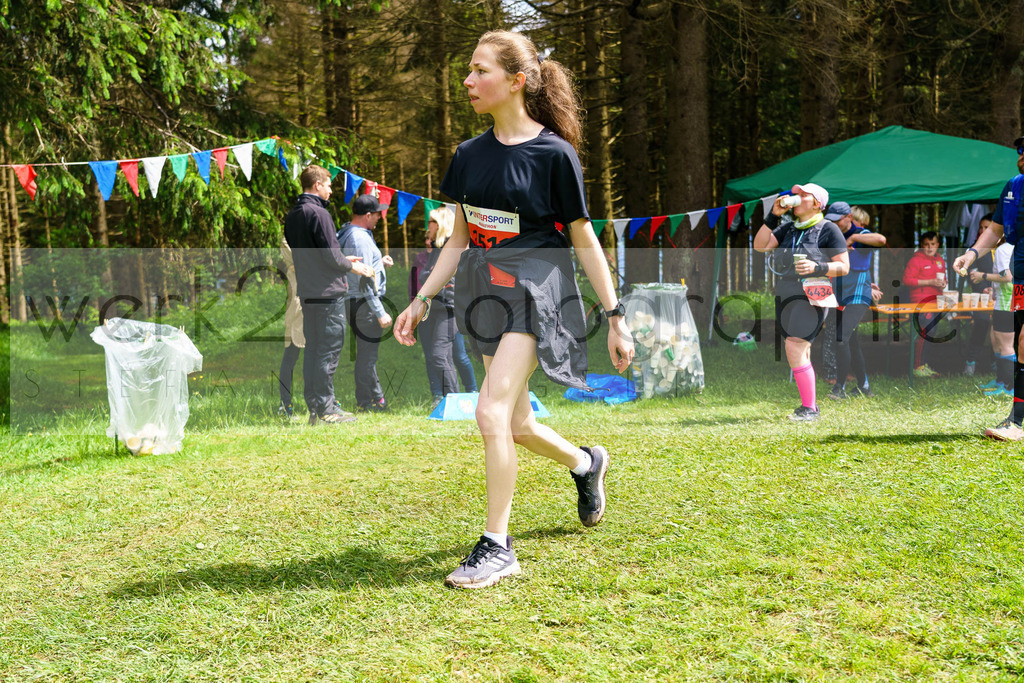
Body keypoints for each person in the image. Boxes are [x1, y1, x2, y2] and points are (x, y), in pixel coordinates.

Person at [393, 30, 634, 589]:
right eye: (469, 71)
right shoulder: (467, 156)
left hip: (539, 289)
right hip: (483, 289)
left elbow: (584, 238)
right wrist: (422, 299)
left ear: (517, 80)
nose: (469, 81)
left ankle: (497, 546)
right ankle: (586, 463)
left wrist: (615, 315)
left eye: (480, 71)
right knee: (518, 422)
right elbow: (457, 239)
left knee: (489, 411)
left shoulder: (555, 154)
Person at [283, 165, 375, 425]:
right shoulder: (320, 213)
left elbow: (314, 255)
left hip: (308, 292)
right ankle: (328, 411)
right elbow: (330, 256)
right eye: (329, 184)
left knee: (313, 350)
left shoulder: (292, 215)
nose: (332, 189)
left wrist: (341, 259)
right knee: (328, 351)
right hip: (328, 293)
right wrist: (353, 265)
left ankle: (315, 408)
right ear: (317, 185)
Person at [753, 183, 850, 421]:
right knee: (798, 349)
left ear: (817, 203)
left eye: (803, 195)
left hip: (812, 292)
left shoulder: (829, 229)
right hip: (785, 292)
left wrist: (818, 266)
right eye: (796, 194)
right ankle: (809, 406)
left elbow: (844, 266)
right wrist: (772, 217)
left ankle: (810, 409)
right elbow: (759, 246)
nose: (795, 197)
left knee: (794, 347)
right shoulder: (787, 228)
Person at [954, 137, 1024, 440]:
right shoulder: (1013, 186)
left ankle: (1017, 421)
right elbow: (996, 230)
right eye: (1021, 150)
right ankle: (1017, 420)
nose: (1022, 155)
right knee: (1022, 346)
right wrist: (971, 255)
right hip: (1021, 280)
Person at [337, 193, 395, 412]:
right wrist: (380, 312)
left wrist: (379, 263)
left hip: (355, 302)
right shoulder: (359, 238)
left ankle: (365, 400)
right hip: (364, 303)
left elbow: (361, 267)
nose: (380, 218)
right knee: (367, 357)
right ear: (367, 215)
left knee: (364, 355)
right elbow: (364, 281)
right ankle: (374, 401)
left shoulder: (349, 232)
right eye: (377, 214)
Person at [417, 206, 478, 408]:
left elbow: (453, 283)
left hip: (449, 310)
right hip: (432, 311)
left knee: (443, 355)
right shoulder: (435, 250)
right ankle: (450, 400)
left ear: (440, 225)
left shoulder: (451, 251)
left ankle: (456, 400)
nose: (428, 227)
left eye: (431, 222)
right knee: (439, 356)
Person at [827, 203, 886, 400]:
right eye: (832, 219)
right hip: (839, 294)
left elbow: (881, 239)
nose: (835, 222)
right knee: (851, 341)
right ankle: (864, 386)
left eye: (838, 218)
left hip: (859, 295)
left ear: (849, 217)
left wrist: (853, 237)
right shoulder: (833, 233)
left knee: (841, 338)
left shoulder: (861, 233)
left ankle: (840, 389)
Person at [903, 231, 947, 378]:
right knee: (927, 332)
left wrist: (943, 283)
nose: (929, 248)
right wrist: (930, 282)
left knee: (931, 333)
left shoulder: (941, 261)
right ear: (921, 246)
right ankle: (917, 366)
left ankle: (924, 365)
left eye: (933, 244)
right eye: (926, 245)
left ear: (938, 245)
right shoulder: (915, 260)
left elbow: (943, 281)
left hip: (936, 302)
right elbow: (907, 280)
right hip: (920, 302)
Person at [973, 234, 1013, 397]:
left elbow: (1008, 277)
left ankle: (1010, 387)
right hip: (1002, 302)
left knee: (1006, 346)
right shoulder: (1006, 248)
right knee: (995, 341)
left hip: (1007, 304)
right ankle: (1001, 381)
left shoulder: (1004, 249)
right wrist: (994, 289)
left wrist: (982, 276)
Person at [964, 214, 996, 376]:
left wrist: (995, 290)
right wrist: (985, 289)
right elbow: (972, 274)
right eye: (981, 227)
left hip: (1000, 299)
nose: (982, 231)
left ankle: (996, 363)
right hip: (980, 299)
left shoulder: (1004, 248)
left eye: (987, 227)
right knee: (981, 326)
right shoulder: (974, 248)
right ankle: (970, 363)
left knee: (998, 330)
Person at [277, 237, 304, 419]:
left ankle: (323, 402)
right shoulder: (288, 237)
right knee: (291, 356)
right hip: (297, 307)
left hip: (314, 303)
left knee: (319, 357)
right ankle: (285, 405)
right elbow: (299, 263)